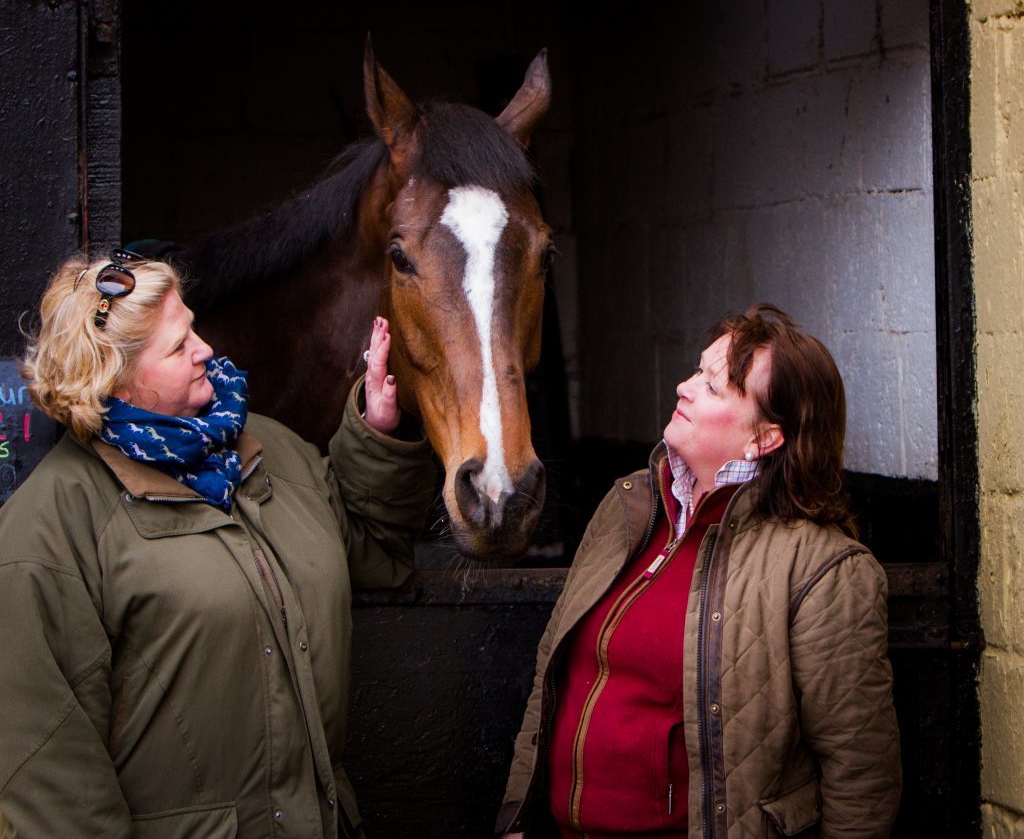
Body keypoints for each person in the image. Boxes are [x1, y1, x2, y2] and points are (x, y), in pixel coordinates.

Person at [0, 252, 436, 838]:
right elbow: (44, 768)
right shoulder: (51, 525)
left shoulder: (270, 449)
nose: (205, 349)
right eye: (179, 347)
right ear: (116, 378)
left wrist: (376, 435)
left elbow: (372, 553)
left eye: (193, 328)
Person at [498, 304, 901, 838]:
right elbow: (551, 676)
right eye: (697, 371)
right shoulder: (628, 506)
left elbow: (861, 773)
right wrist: (515, 817)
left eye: (713, 387)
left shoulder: (824, 570)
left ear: (764, 438)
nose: (685, 387)